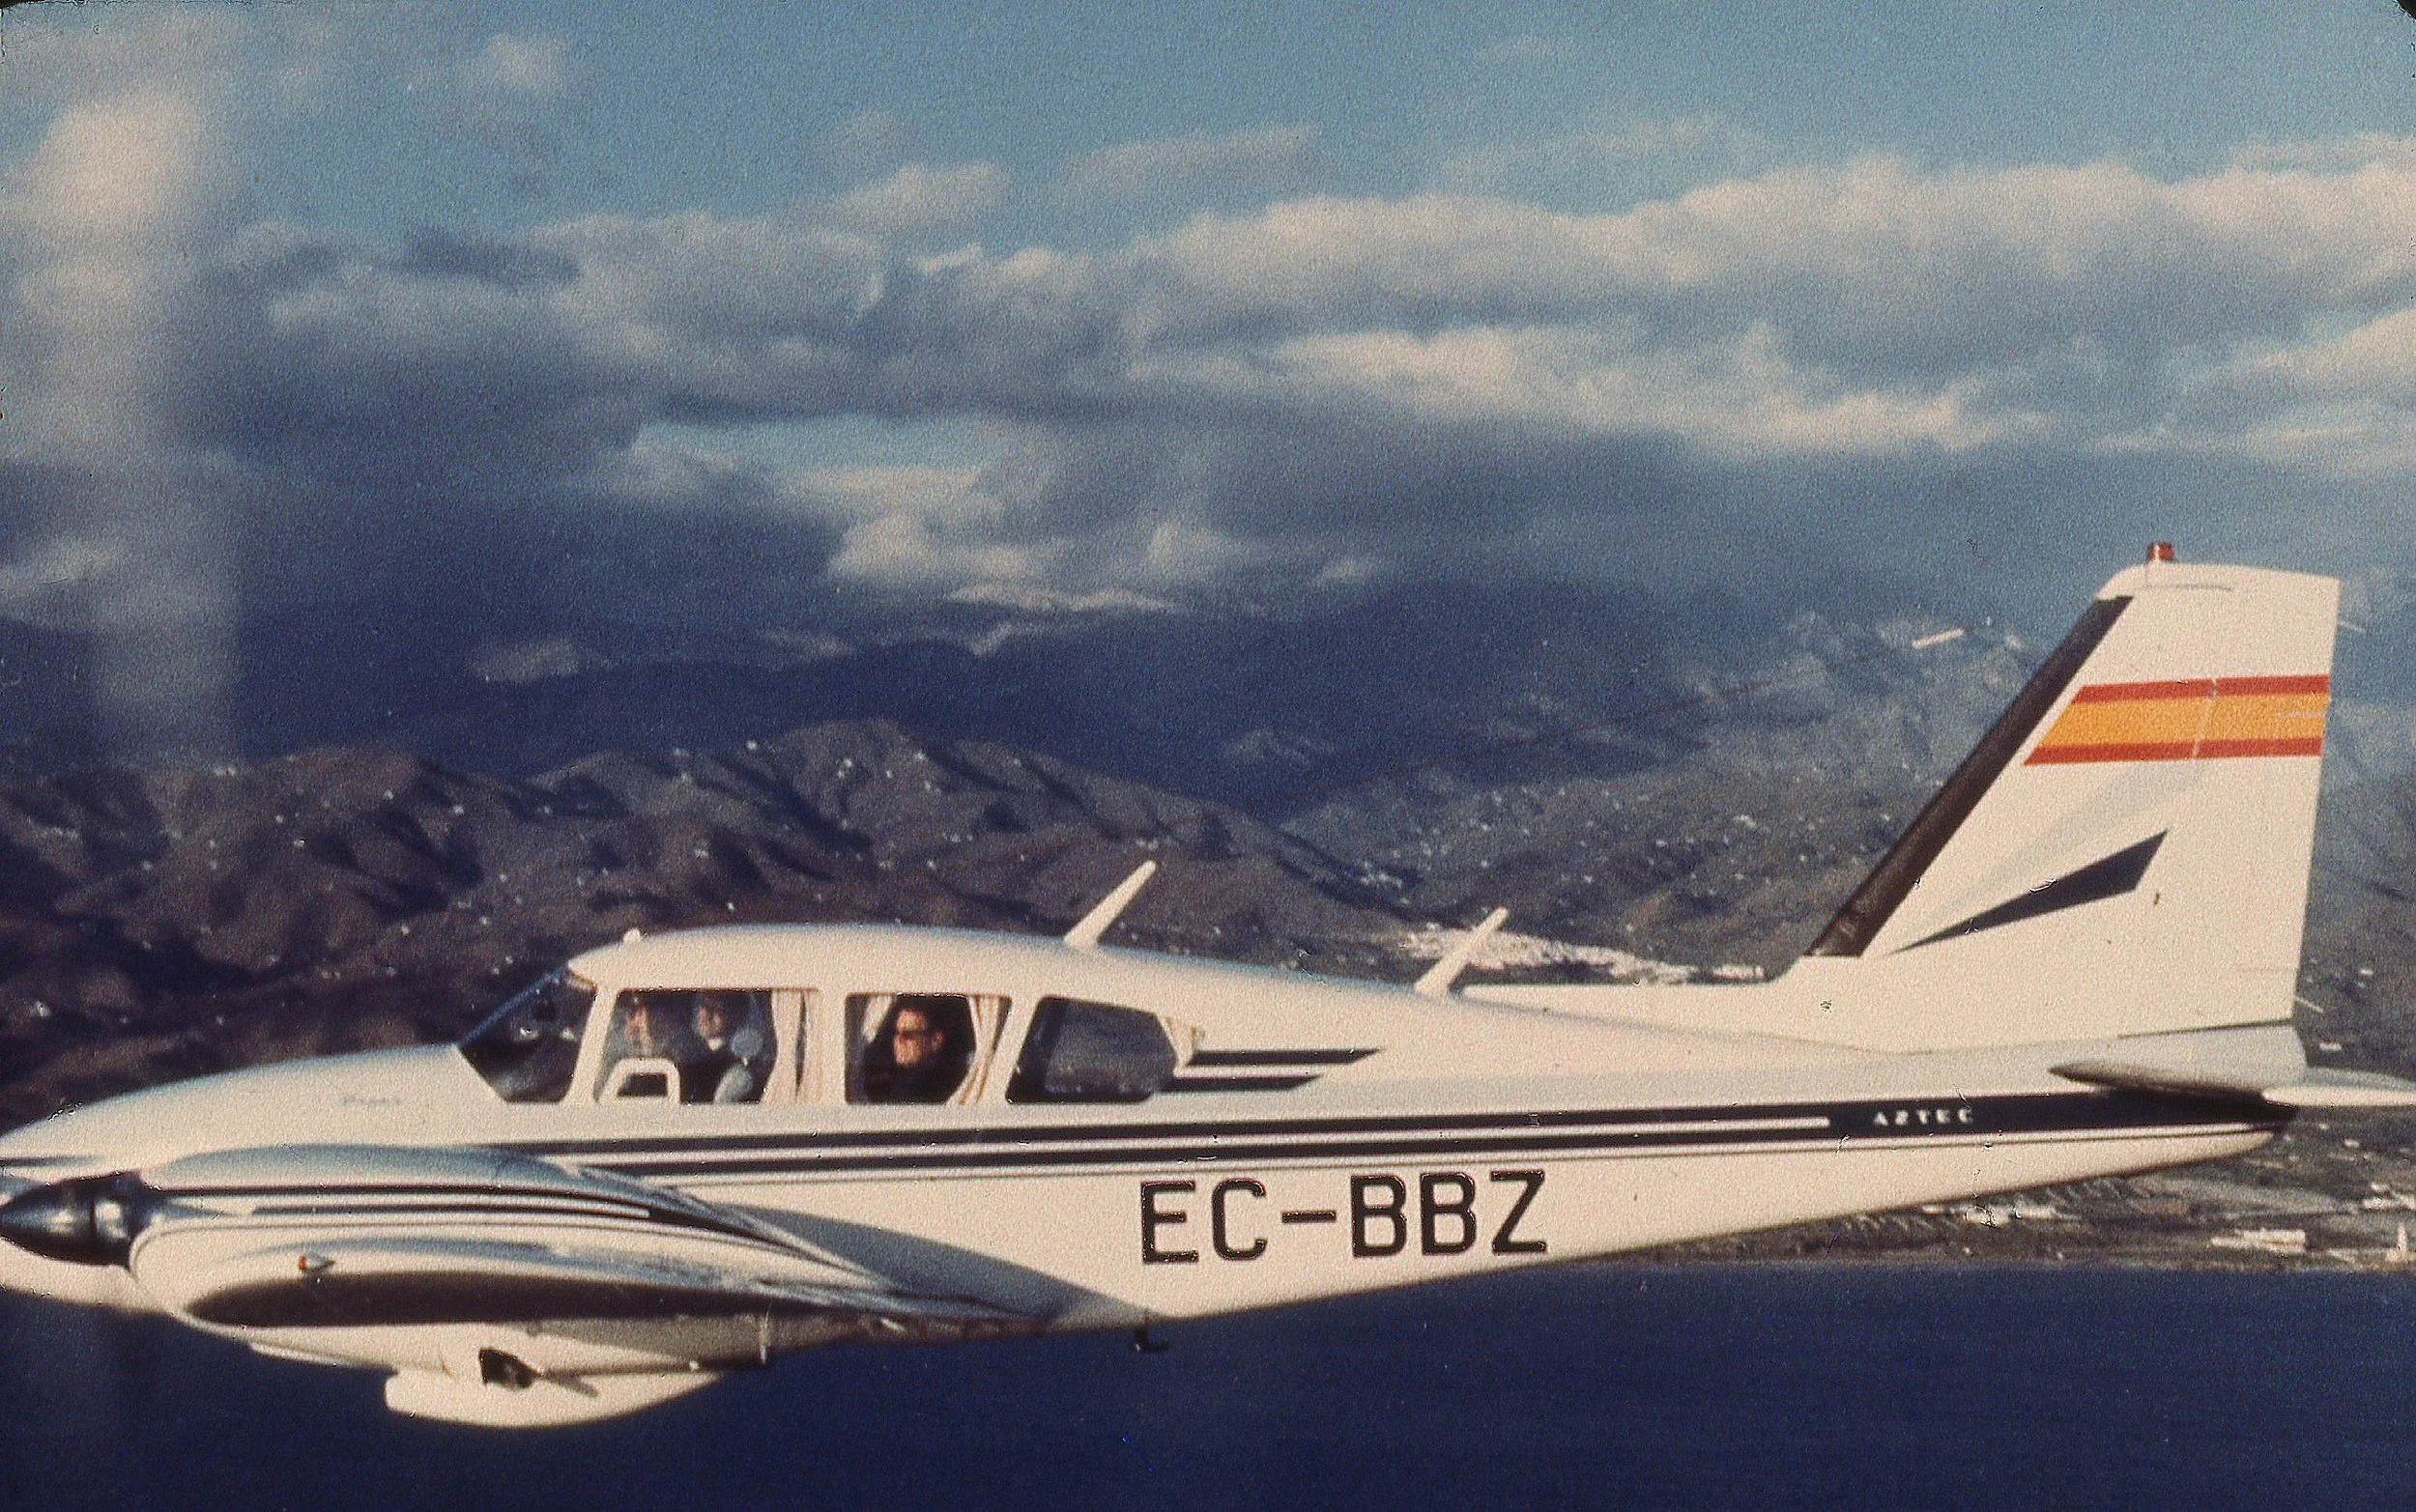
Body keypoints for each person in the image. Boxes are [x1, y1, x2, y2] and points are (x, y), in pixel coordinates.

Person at [858, 998, 969, 1103]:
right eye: (896, 1032)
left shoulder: (926, 1087)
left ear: (935, 1041)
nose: (898, 1040)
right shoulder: (888, 1079)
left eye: (908, 1034)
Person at [692, 993, 771, 1104]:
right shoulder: (691, 1051)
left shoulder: (735, 1071)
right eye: (704, 1005)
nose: (705, 1013)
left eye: (717, 1009)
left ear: (734, 1018)